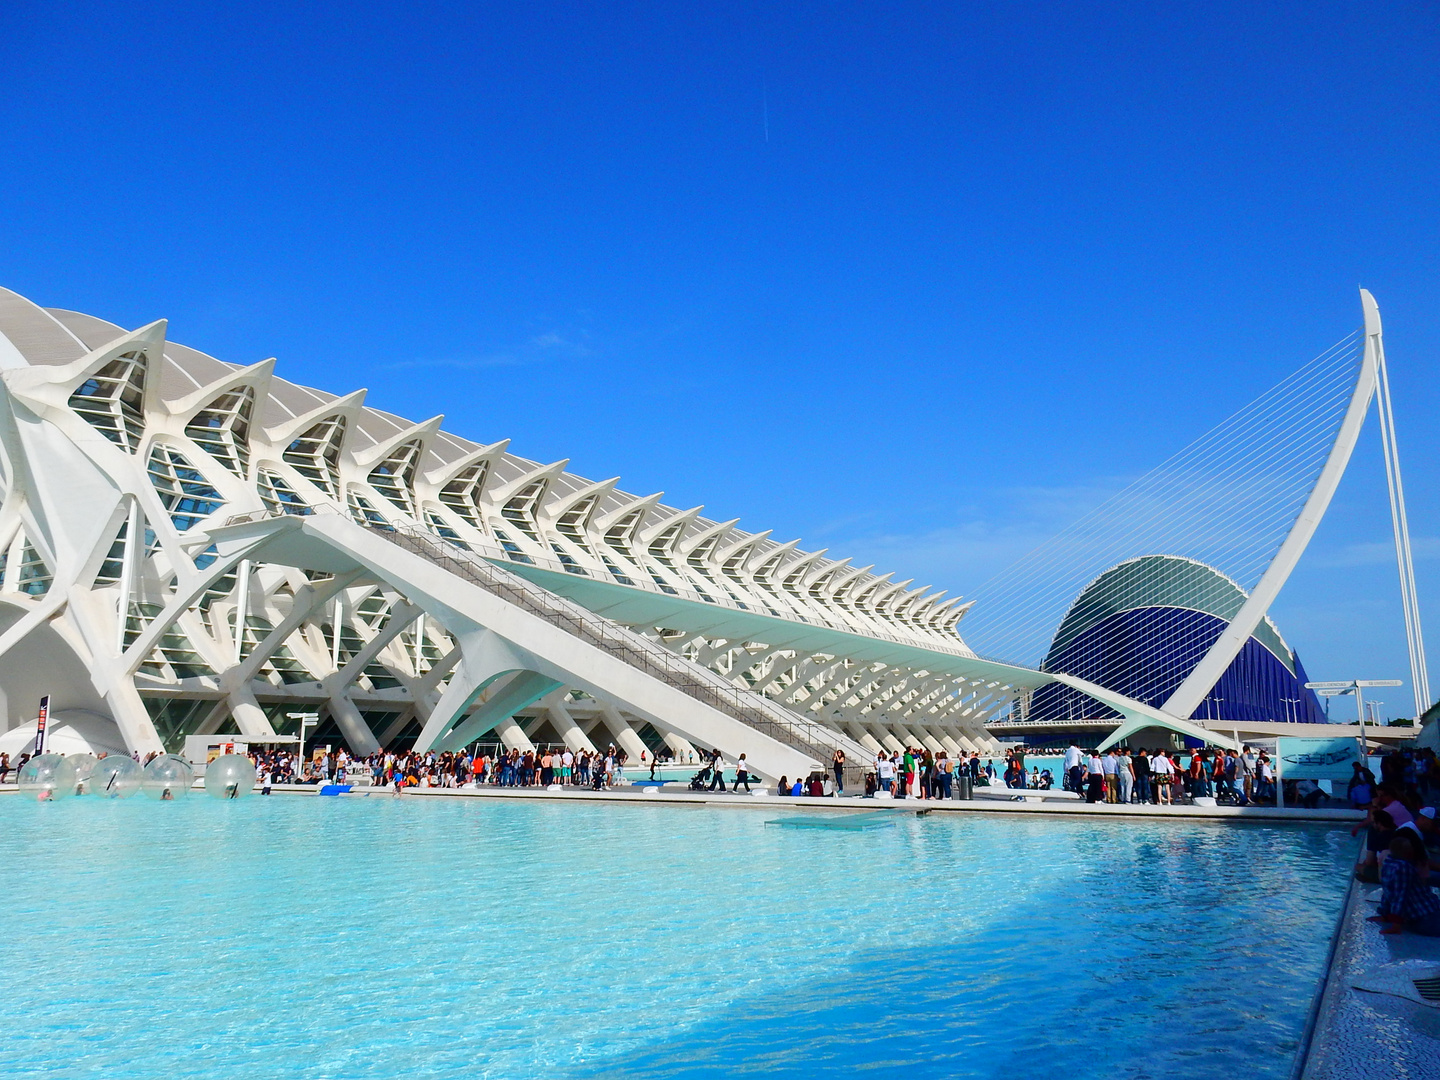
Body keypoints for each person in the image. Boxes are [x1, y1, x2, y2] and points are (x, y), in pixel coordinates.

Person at [1372, 831, 1440, 936]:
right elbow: (1400, 897)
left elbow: (1388, 893)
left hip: (1424, 916)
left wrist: (1385, 915)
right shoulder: (1404, 868)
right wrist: (1396, 924)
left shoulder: (1388, 863)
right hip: (1426, 917)